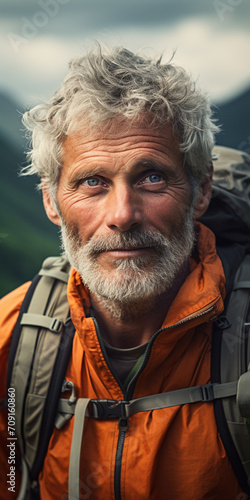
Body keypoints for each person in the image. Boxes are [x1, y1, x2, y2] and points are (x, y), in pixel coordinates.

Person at [0, 44, 245, 499]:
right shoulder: (11, 344)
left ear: (202, 190)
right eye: (92, 181)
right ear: (51, 202)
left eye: (150, 176)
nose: (123, 214)